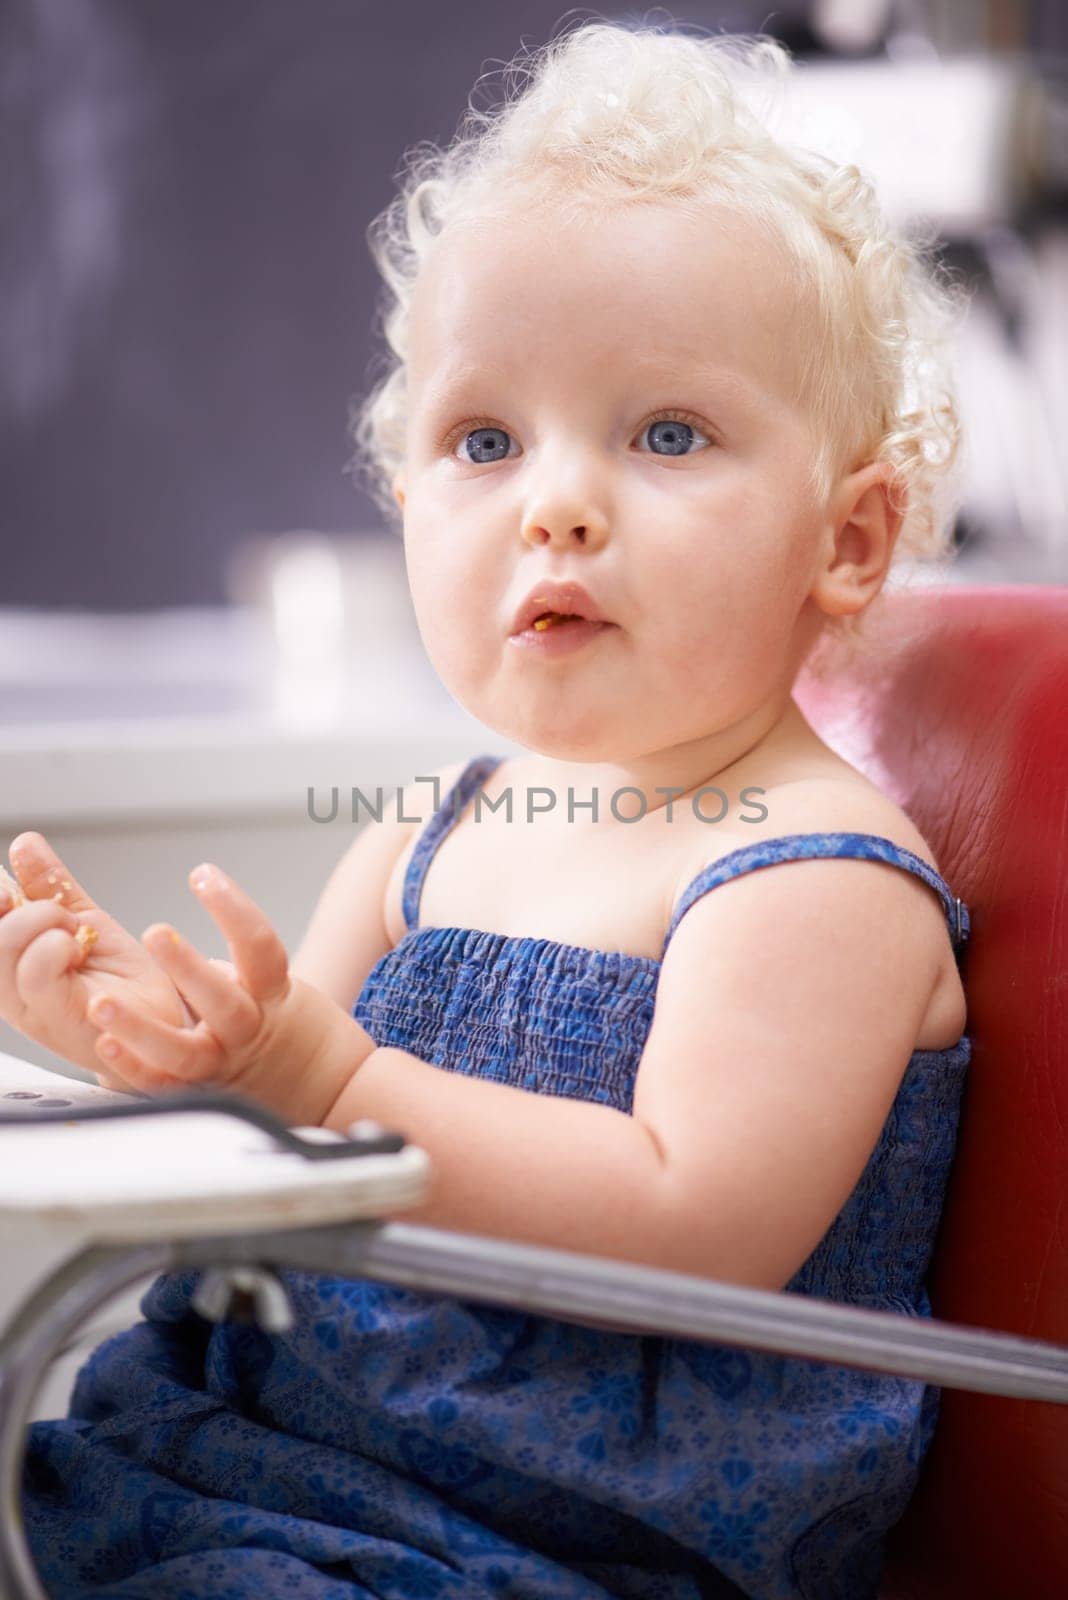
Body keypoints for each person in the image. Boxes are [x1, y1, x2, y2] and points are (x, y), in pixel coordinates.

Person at [0, 18, 974, 1599]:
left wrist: (329, 1068)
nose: (556, 500)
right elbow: (278, 1119)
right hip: (281, 1451)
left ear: (849, 538)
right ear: (402, 497)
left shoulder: (814, 879)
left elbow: (691, 1227)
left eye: (668, 433)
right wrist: (150, 1038)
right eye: (482, 440)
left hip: (554, 1537)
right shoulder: (433, 828)